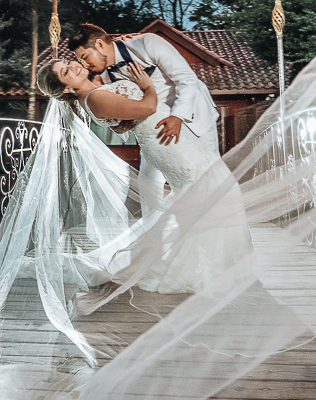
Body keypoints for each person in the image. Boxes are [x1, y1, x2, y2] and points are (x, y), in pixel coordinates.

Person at [36, 57, 252, 293]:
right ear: (66, 87)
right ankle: (208, 269)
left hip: (169, 138)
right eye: (66, 71)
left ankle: (220, 264)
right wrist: (147, 85)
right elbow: (148, 107)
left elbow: (123, 118)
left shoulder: (95, 92)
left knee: (206, 195)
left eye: (69, 62)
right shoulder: (94, 97)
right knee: (209, 192)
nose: (74, 66)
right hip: (168, 144)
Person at [67, 23, 221, 199]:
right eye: (81, 61)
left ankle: (217, 220)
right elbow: (120, 109)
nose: (85, 65)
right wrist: (121, 126)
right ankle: (158, 226)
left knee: (209, 175)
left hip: (194, 115)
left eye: (85, 57)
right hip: (155, 127)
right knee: (149, 183)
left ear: (100, 44)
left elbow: (186, 79)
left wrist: (177, 116)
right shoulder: (105, 77)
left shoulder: (147, 43)